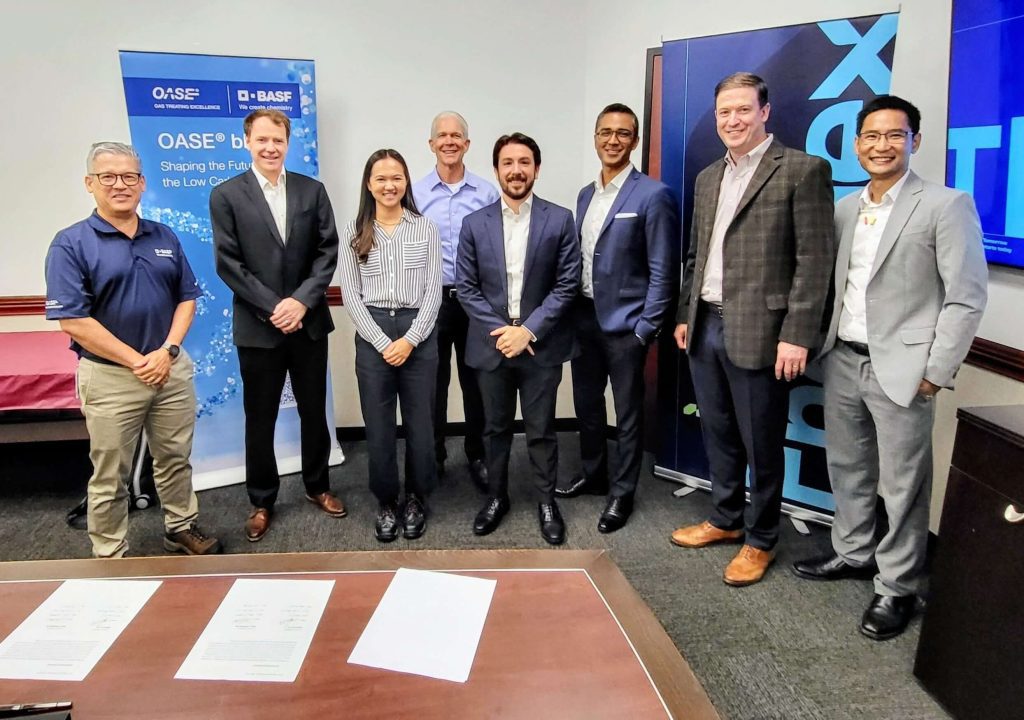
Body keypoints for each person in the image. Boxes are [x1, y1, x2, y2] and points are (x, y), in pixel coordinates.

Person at [793, 95, 988, 640]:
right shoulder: (843, 208)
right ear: (856, 144)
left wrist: (935, 370)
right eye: (872, 137)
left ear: (915, 141)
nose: (882, 146)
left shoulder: (946, 205)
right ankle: (853, 552)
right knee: (848, 469)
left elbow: (966, 296)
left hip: (903, 370)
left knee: (903, 486)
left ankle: (897, 586)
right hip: (842, 359)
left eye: (894, 136)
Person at [671, 72, 834, 586]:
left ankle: (760, 539)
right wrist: (684, 313)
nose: (733, 120)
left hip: (764, 333)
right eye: (724, 112)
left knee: (762, 443)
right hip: (706, 326)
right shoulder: (706, 177)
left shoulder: (802, 171)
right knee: (718, 432)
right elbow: (696, 255)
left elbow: (815, 261)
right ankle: (724, 519)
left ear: (765, 111)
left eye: (743, 109)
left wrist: (797, 333)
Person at [44, 142, 221, 558]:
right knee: (110, 473)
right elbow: (74, 320)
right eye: (108, 176)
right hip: (111, 377)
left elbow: (187, 297)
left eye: (129, 176)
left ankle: (180, 527)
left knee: (175, 458)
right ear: (90, 183)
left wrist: (169, 350)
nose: (119, 184)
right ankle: (110, 552)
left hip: (170, 367)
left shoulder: (163, 235)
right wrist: (138, 361)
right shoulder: (70, 244)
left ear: (142, 184)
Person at [210, 109, 343, 543]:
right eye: (262, 140)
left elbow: (328, 252)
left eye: (278, 140)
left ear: (288, 143)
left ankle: (318, 486)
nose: (271, 147)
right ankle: (262, 499)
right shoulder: (226, 195)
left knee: (312, 412)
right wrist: (275, 307)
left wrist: (300, 303)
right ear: (247, 141)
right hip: (258, 328)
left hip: (308, 324)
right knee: (260, 418)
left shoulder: (312, 190)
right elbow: (229, 265)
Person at [556, 102, 680, 534]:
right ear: (595, 138)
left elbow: (665, 269)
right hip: (584, 319)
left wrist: (647, 328)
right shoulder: (586, 195)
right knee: (587, 407)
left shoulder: (653, 194)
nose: (613, 140)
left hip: (627, 327)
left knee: (627, 414)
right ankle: (594, 476)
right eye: (605, 132)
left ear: (635, 140)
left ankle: (622, 493)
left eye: (623, 133)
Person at [457, 132, 581, 545]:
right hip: (492, 345)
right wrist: (504, 333)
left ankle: (546, 501)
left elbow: (566, 285)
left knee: (542, 428)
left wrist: (527, 330)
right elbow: (466, 287)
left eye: (524, 162)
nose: (516, 170)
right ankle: (497, 496)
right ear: (496, 170)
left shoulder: (559, 219)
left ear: (536, 169)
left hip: (539, 344)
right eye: (508, 162)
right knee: (493, 428)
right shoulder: (474, 223)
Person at [338, 149, 442, 542]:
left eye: (396, 177)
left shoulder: (424, 228)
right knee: (379, 428)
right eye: (381, 178)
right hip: (374, 333)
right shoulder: (355, 231)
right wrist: (384, 342)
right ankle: (386, 500)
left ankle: (416, 497)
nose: (389, 185)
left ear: (406, 182)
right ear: (369, 184)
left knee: (420, 424)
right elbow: (351, 295)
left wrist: (411, 339)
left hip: (419, 331)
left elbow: (434, 290)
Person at [413, 112, 500, 489]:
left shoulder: (487, 193)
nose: (449, 141)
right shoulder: (413, 195)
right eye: (441, 136)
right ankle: (432, 455)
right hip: (431, 301)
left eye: (457, 135)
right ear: (431, 144)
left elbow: (497, 248)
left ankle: (477, 454)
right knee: (431, 383)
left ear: (467, 144)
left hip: (475, 302)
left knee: (477, 383)